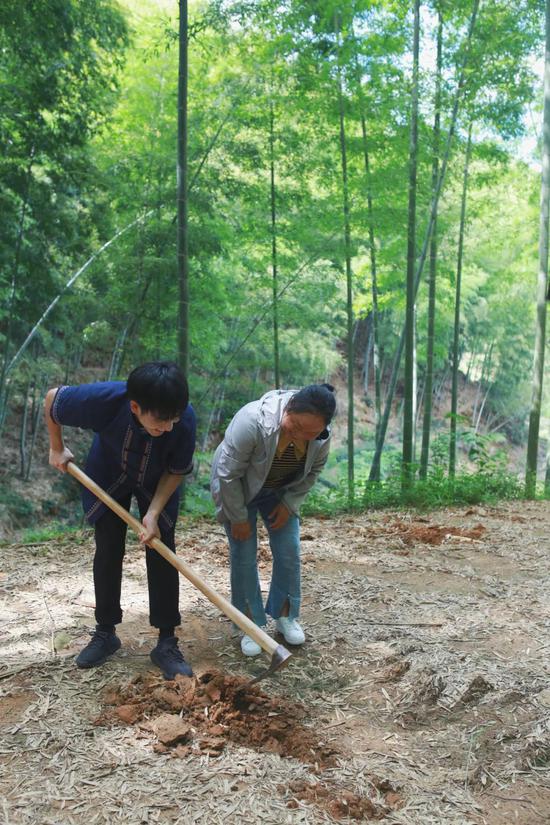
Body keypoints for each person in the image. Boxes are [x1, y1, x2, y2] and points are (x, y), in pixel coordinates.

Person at [44, 361, 196, 678]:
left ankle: (166, 641)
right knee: (109, 546)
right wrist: (57, 448)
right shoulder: (105, 400)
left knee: (162, 548)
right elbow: (53, 399)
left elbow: (177, 470)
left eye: (173, 419)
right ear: (135, 407)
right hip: (109, 473)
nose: (169, 427)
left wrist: (153, 513)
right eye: (160, 421)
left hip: (158, 479)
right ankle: (105, 632)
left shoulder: (183, 419)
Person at [210, 384, 335, 657]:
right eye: (296, 426)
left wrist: (289, 504)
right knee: (244, 554)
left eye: (310, 433)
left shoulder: (321, 436)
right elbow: (227, 474)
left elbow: (314, 471)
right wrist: (238, 517)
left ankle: (285, 614)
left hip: (280, 490)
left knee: (289, 550)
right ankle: (250, 624)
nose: (300, 435)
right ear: (288, 408)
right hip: (238, 489)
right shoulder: (252, 421)